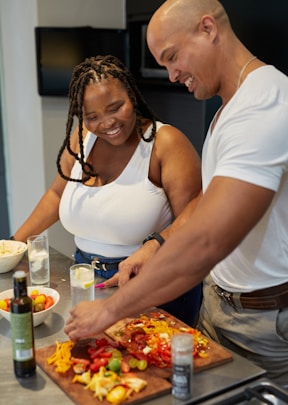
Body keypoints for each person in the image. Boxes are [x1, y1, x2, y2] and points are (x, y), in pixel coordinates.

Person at [64, 0, 288, 389]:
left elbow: (207, 241)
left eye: (172, 57)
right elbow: (207, 207)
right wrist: (156, 246)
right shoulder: (229, 109)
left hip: (265, 323)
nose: (171, 75)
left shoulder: (264, 104)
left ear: (207, 28)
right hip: (219, 307)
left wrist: (108, 312)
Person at [11, 54, 202, 326]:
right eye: (92, 116)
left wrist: (156, 244)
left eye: (115, 107)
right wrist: (13, 245)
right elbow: (56, 195)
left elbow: (196, 216)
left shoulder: (165, 143)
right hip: (86, 279)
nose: (107, 123)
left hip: (152, 281)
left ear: (132, 96)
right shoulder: (81, 141)